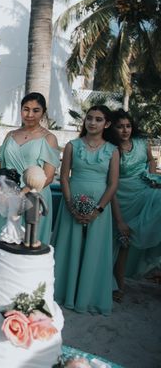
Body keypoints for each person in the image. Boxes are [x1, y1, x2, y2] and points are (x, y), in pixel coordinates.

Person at [0, 92, 59, 292]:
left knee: (26, 247)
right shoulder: (10, 135)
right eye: (26, 109)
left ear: (43, 112)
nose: (30, 114)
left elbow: (48, 176)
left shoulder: (50, 138)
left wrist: (24, 193)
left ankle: (22, 295)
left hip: (34, 198)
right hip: (6, 199)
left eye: (36, 110)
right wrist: (2, 188)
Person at [52, 105, 120, 315]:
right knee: (68, 246)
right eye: (89, 118)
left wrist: (97, 210)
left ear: (106, 124)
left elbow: (113, 184)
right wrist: (71, 204)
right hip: (71, 202)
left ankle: (86, 297)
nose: (92, 122)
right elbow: (63, 177)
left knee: (94, 250)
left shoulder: (112, 150)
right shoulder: (73, 145)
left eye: (98, 119)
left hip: (100, 206)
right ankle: (62, 294)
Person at [110, 110, 161, 302]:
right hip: (121, 195)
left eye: (128, 126)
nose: (125, 130)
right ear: (113, 128)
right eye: (120, 126)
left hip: (143, 190)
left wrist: (152, 175)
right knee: (120, 243)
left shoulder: (141, 143)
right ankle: (118, 286)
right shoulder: (111, 148)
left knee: (128, 240)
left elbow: (150, 161)